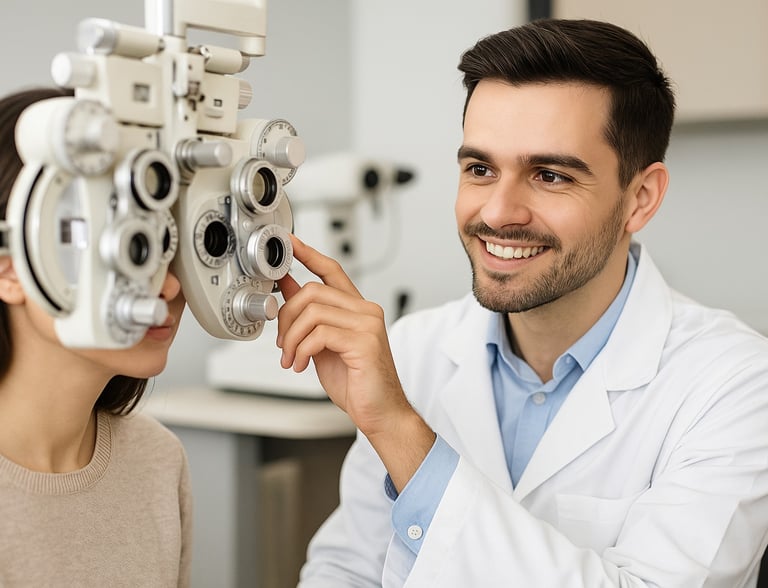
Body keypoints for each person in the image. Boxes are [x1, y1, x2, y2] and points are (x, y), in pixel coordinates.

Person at [276, 18, 768, 587]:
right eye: (480, 169)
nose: (499, 212)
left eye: (550, 175)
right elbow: (348, 570)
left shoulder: (738, 385)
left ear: (640, 198)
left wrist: (401, 432)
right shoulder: (412, 351)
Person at [0, 87, 192, 587]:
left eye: (164, 244)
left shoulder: (156, 458)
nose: (168, 286)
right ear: (8, 269)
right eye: (129, 247)